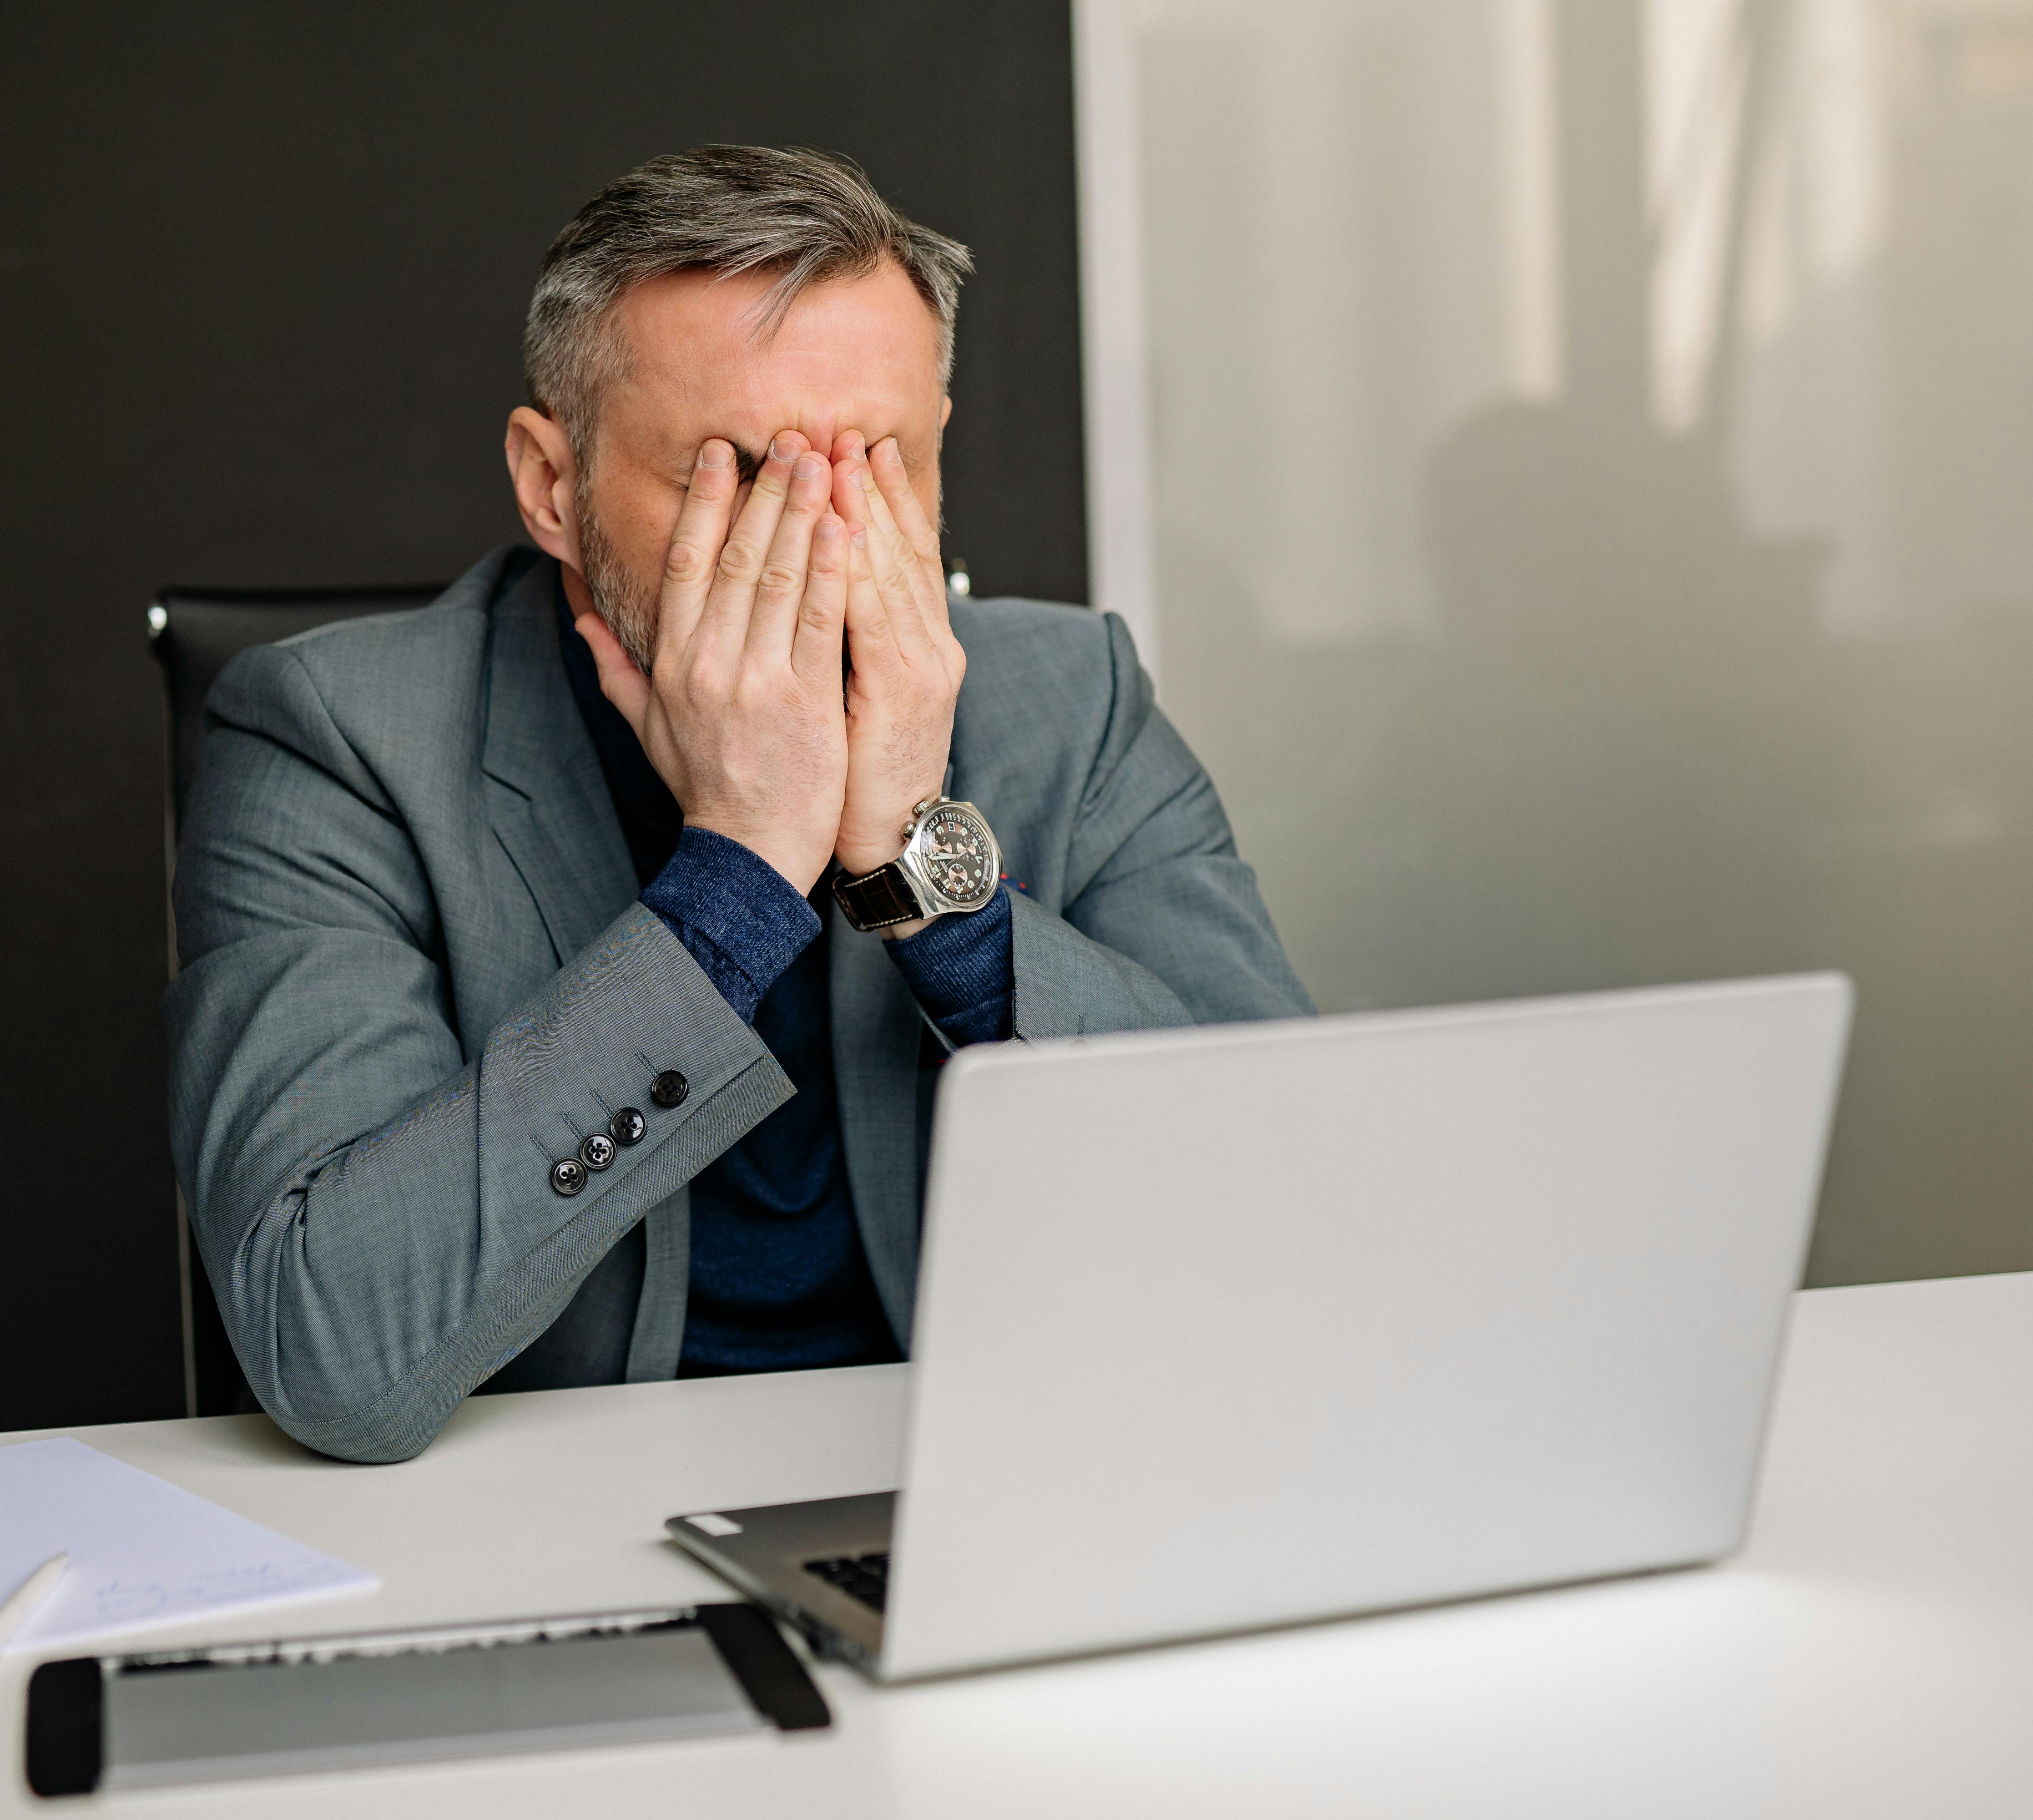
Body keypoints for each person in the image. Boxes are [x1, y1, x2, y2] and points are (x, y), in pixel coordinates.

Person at [166, 146, 1310, 1464]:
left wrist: (930, 889)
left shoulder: (1075, 701)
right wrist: (742, 873)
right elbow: (335, 1355)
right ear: (554, 485)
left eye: (880, 471)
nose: (821, 546)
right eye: (742, 477)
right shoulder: (335, 740)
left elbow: (1299, 1211)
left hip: (1002, 1482)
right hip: (553, 1513)